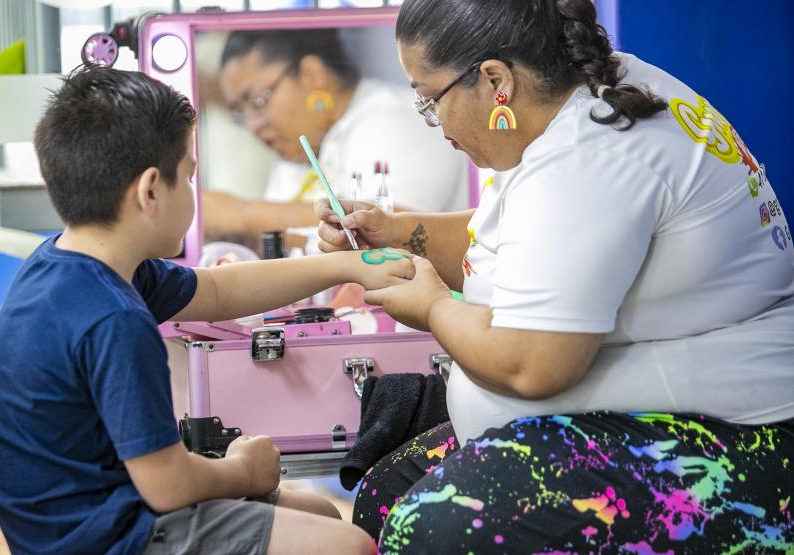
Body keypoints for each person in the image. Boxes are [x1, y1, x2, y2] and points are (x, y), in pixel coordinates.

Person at [315, 0, 794, 552]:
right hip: (641, 406)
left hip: (741, 434)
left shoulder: (591, 158)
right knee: (383, 497)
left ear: (496, 80)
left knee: (431, 528)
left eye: (430, 100)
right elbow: (535, 242)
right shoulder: (588, 96)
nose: (434, 122)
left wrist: (432, 308)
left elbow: (532, 363)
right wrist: (398, 232)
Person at [0, 66, 413, 555]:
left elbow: (220, 291)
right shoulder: (114, 318)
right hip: (107, 537)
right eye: (189, 176)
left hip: (97, 513)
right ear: (151, 191)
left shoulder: (76, 265)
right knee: (346, 546)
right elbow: (168, 486)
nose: (195, 195)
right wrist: (246, 469)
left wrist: (346, 266)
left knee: (319, 513)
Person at [202, 29, 470, 244]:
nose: (252, 125)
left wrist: (241, 216)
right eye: (240, 113)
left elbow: (389, 232)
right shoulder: (299, 149)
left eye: (258, 102)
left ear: (312, 75)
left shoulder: (391, 120)